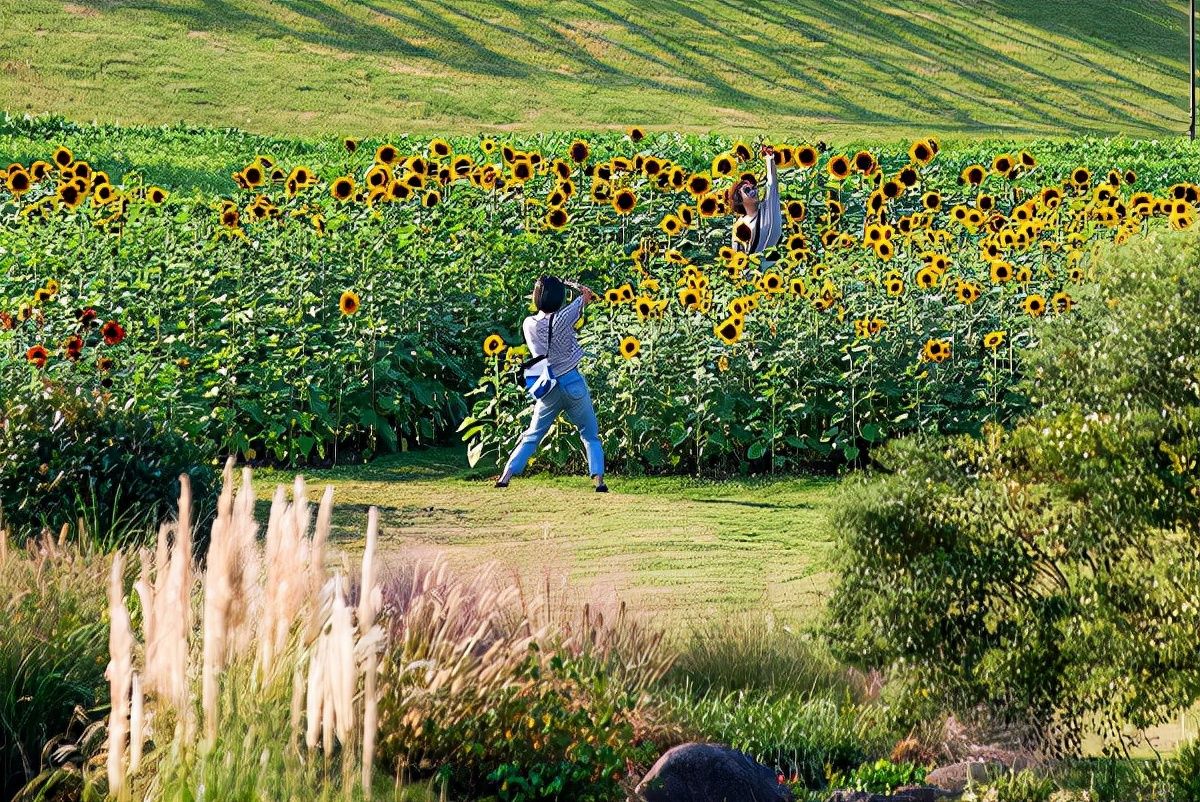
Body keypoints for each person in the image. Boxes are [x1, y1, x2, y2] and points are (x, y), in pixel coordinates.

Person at [496, 275, 607, 492]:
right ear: (559, 298)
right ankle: (599, 481)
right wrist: (576, 288)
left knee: (533, 434)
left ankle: (505, 476)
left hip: (547, 385)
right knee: (590, 434)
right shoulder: (564, 317)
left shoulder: (528, 324)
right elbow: (587, 295)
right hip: (572, 381)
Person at [726, 144, 782, 260]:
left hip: (774, 266)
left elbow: (772, 185)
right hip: (753, 270)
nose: (753, 190)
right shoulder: (740, 224)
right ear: (739, 200)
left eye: (753, 187)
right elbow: (737, 256)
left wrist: (769, 159)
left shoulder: (768, 206)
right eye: (747, 190)